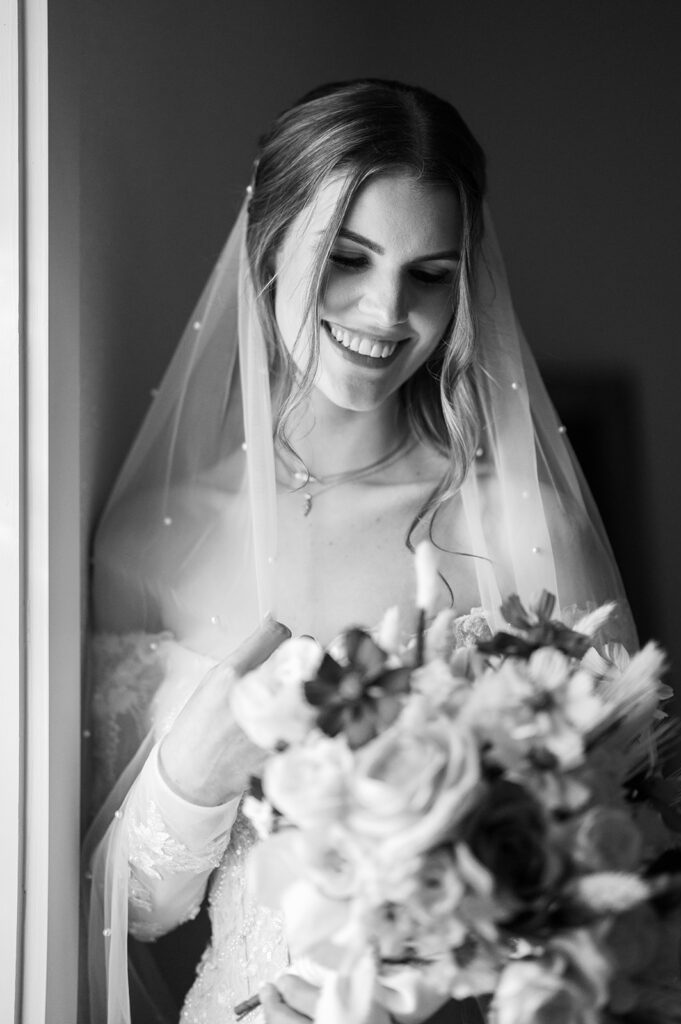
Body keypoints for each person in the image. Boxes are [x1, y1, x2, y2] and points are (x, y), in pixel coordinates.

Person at [83, 78, 636, 1024]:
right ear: (268, 246)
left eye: (431, 274)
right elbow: (133, 910)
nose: (385, 312)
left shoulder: (518, 527)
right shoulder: (153, 540)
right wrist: (195, 774)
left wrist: (422, 987)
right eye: (347, 258)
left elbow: (613, 880)